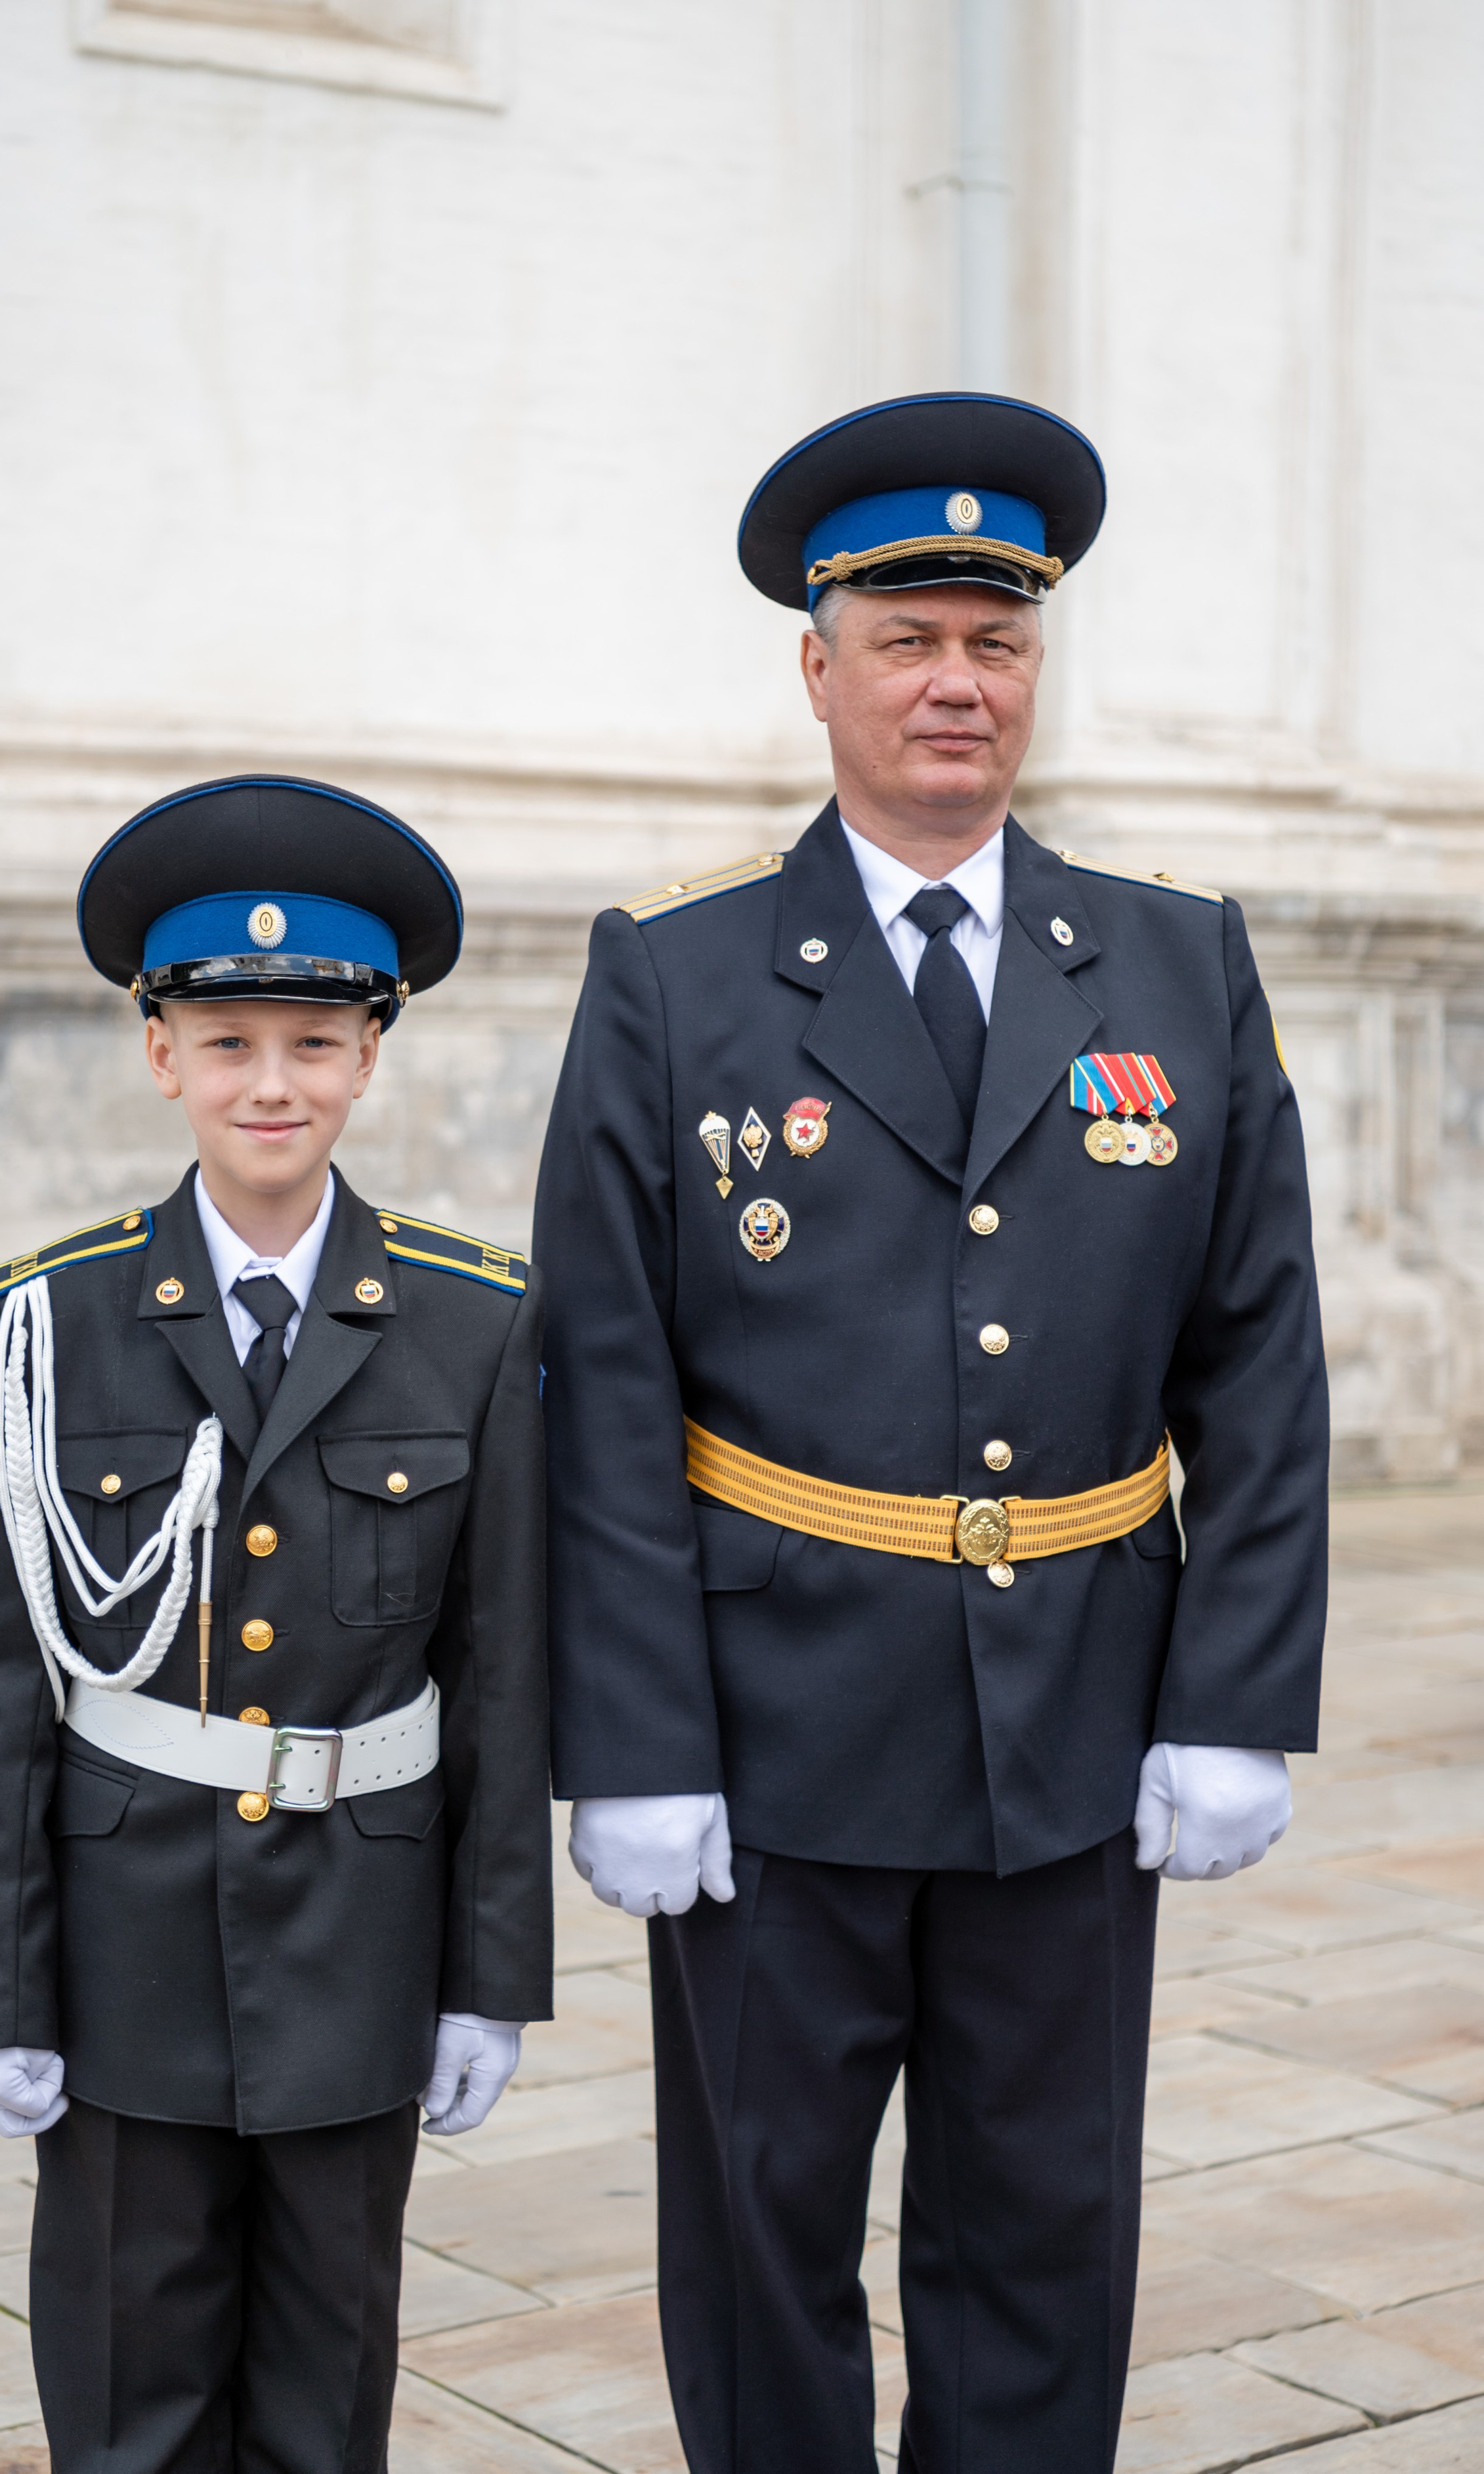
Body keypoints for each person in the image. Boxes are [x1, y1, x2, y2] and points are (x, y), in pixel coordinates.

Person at [532, 395, 1326, 2473]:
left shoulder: (1176, 957)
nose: (958, 679)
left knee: (1046, 2230)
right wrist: (631, 1739)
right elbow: (602, 1381)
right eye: (908, 639)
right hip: (773, 1732)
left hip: (1076, 1718)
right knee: (761, 2232)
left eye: (997, 638)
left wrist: (1234, 1696)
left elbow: (1259, 1353)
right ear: (820, 667)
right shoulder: (678, 972)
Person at [0, 774, 552, 2474]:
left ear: (370, 1056)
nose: (272, 1083)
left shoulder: (474, 1320)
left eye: (314, 1043)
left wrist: (493, 1977)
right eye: (227, 1043)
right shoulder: (52, 1315)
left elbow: (502, 1675)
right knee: (127, 2396)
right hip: (121, 1951)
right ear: (160, 1054)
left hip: (365, 1945)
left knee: (325, 2401)